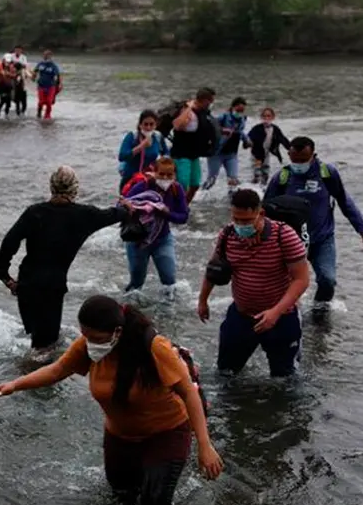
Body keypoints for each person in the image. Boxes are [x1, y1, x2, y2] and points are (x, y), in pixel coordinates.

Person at [0, 296, 223, 505]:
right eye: (85, 336)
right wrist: (14, 385)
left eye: (96, 339)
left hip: (166, 434)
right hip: (120, 437)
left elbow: (189, 393)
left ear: (117, 332)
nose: (90, 344)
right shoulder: (88, 345)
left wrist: (204, 445)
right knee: (120, 502)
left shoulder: (153, 347)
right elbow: (57, 370)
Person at [0, 166, 131, 363]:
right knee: (45, 348)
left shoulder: (34, 213)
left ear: (51, 187)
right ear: (75, 189)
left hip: (26, 285)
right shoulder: (85, 215)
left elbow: (9, 243)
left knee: (38, 342)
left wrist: (5, 277)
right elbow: (115, 215)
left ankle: (25, 377)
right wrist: (126, 207)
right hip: (52, 288)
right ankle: (26, 382)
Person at [198, 189, 310, 377]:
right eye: (236, 219)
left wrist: (275, 313)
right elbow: (213, 270)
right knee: (225, 374)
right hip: (242, 315)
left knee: (284, 380)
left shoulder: (285, 236)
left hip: (281, 318)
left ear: (261, 214)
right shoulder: (227, 235)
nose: (241, 226)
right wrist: (203, 300)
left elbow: (302, 280)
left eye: (247, 221)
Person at [264, 136, 363, 311]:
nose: (298, 163)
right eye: (295, 159)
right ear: (289, 154)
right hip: (289, 241)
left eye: (303, 160)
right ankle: (289, 314)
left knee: (328, 280)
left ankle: (320, 314)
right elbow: (265, 210)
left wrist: (361, 229)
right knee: (283, 286)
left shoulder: (327, 173)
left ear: (313, 155)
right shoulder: (282, 177)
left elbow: (344, 201)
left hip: (321, 239)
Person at [123, 157, 190, 296]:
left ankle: (169, 313)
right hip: (138, 241)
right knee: (136, 283)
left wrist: (167, 213)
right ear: (154, 172)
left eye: (169, 175)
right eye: (161, 174)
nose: (165, 178)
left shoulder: (177, 189)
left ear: (175, 175)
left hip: (163, 240)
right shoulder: (143, 186)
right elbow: (122, 204)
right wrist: (132, 208)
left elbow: (183, 217)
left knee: (169, 280)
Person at [170, 88, 218, 203]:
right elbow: (177, 125)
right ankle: (177, 206)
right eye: (210, 101)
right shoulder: (188, 110)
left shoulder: (203, 113)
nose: (211, 104)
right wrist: (189, 108)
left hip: (194, 155)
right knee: (182, 184)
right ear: (204, 100)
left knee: (195, 184)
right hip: (181, 155)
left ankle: (185, 206)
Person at [204, 97, 251, 191]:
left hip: (231, 154)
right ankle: (199, 195)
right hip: (217, 153)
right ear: (233, 107)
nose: (240, 112)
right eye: (238, 110)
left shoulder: (242, 120)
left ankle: (232, 198)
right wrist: (223, 130)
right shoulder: (224, 117)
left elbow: (240, 132)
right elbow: (211, 127)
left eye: (242, 110)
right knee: (211, 179)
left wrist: (247, 140)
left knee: (233, 179)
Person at [118, 110, 168, 189]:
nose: (148, 127)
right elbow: (122, 156)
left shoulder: (158, 136)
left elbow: (166, 153)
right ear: (140, 125)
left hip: (150, 179)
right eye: (145, 124)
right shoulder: (132, 136)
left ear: (156, 125)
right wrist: (141, 147)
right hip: (131, 180)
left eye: (151, 124)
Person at [247, 107, 291, 186]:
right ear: (261, 117)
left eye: (268, 116)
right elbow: (248, 138)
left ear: (273, 117)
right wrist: (247, 143)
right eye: (264, 116)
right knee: (257, 174)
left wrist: (290, 148)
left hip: (266, 153)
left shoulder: (275, 129)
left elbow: (283, 139)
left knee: (266, 174)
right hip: (256, 154)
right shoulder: (257, 128)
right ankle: (252, 188)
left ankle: (263, 189)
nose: (266, 118)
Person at [31, 49, 61, 119]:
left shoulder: (53, 65)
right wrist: (33, 77)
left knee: (49, 102)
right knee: (41, 102)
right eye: (44, 55)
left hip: (51, 86)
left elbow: (58, 75)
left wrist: (58, 84)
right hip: (41, 85)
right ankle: (39, 113)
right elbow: (35, 71)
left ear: (51, 56)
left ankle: (47, 116)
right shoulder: (40, 64)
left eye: (47, 55)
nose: (46, 56)